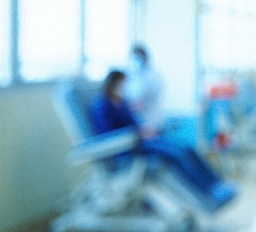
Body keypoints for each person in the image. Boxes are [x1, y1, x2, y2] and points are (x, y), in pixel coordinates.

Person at [89, 70, 236, 212]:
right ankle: (208, 193)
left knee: (186, 147)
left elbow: (135, 123)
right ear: (112, 83)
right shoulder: (101, 106)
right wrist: (136, 134)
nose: (124, 87)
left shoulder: (122, 103)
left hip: (141, 141)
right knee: (177, 154)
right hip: (127, 149)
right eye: (122, 83)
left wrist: (145, 131)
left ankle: (217, 186)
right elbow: (107, 134)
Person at [124, 45, 163, 128]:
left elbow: (154, 94)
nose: (135, 60)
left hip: (150, 117)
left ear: (145, 57)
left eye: (137, 57)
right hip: (134, 117)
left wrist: (141, 104)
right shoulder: (131, 74)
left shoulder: (153, 75)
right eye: (133, 57)